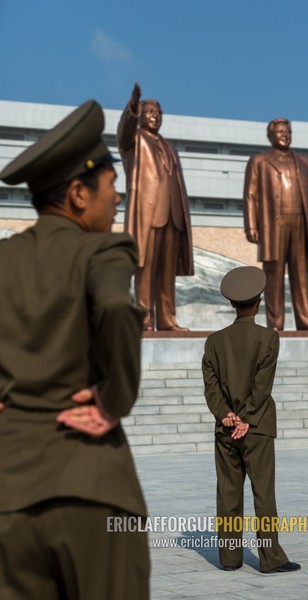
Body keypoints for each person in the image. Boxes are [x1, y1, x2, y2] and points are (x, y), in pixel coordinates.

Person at [0, 100, 150, 599]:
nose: (118, 201)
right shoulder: (101, 250)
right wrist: (115, 399)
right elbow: (114, 308)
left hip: (9, 496)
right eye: (112, 189)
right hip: (93, 490)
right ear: (79, 194)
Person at [202, 266, 300, 573]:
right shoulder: (268, 338)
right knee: (263, 493)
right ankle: (270, 559)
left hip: (225, 429)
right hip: (256, 429)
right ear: (257, 303)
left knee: (228, 493)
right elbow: (262, 385)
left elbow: (211, 386)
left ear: (232, 304)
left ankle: (230, 558)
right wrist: (247, 418)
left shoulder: (214, 341)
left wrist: (227, 415)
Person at [117, 82, 194, 331]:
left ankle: (167, 319)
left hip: (173, 215)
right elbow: (123, 132)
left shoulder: (170, 146)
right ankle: (144, 319)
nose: (155, 117)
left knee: (167, 272)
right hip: (148, 215)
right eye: (150, 113)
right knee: (146, 269)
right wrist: (132, 107)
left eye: (158, 114)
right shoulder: (134, 141)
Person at [243, 118, 308, 331]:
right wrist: (251, 226)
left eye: (287, 131)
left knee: (301, 274)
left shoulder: (304, 161)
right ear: (270, 136)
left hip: (300, 222)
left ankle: (306, 319)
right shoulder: (259, 161)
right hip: (273, 225)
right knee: (274, 275)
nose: (284, 135)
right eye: (279, 132)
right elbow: (250, 196)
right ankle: (275, 322)